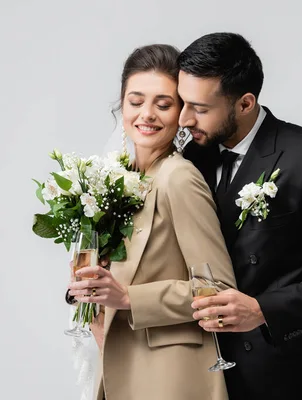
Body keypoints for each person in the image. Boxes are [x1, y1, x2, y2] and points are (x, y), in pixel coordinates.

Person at [179, 32, 302, 400]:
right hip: (208, 377)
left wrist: (263, 310)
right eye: (181, 102)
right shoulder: (192, 159)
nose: (183, 118)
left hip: (292, 377)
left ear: (245, 103)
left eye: (200, 108)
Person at [67, 44, 236, 400]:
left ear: (182, 113)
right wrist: (83, 292)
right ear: (122, 105)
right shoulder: (116, 178)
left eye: (163, 104)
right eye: (136, 101)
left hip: (169, 374)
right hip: (117, 361)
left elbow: (218, 288)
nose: (147, 114)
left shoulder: (179, 178)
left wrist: (128, 297)